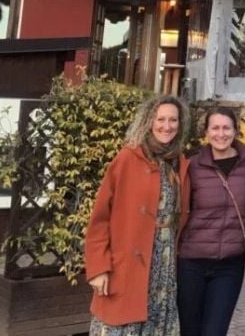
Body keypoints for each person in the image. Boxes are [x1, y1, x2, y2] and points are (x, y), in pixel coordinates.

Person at [84, 95, 192, 335]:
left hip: (164, 264)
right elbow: (100, 217)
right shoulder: (127, 158)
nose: (167, 126)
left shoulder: (179, 162)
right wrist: (99, 268)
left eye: (173, 120)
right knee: (122, 325)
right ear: (148, 121)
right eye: (160, 119)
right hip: (127, 262)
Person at [177, 106, 245, 336]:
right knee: (190, 331)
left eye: (226, 128)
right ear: (206, 132)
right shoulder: (191, 165)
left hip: (229, 265)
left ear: (236, 131)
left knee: (215, 331)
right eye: (215, 128)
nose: (221, 134)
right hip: (191, 263)